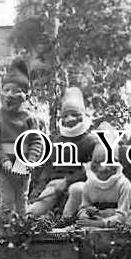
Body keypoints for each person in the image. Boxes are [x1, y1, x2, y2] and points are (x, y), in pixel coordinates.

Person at [27, 87, 98, 217]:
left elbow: (93, 170)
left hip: (79, 188)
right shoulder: (56, 141)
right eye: (65, 115)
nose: (70, 119)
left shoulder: (92, 141)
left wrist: (67, 181)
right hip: (53, 187)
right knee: (33, 212)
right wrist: (34, 197)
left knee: (77, 193)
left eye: (74, 114)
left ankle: (65, 219)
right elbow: (47, 173)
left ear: (83, 115)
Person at [0, 58, 44, 215]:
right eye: (6, 90)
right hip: (2, 166)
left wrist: (31, 159)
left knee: (22, 197)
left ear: (26, 96)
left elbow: (36, 141)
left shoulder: (29, 118)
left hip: (22, 164)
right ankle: (5, 226)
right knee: (7, 198)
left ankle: (22, 224)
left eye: (15, 91)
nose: (9, 95)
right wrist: (3, 159)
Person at [63, 139, 131, 226]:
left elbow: (122, 215)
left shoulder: (124, 185)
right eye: (97, 162)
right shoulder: (90, 184)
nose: (101, 168)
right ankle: (65, 221)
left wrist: (100, 223)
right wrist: (87, 213)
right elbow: (83, 208)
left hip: (116, 224)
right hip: (94, 221)